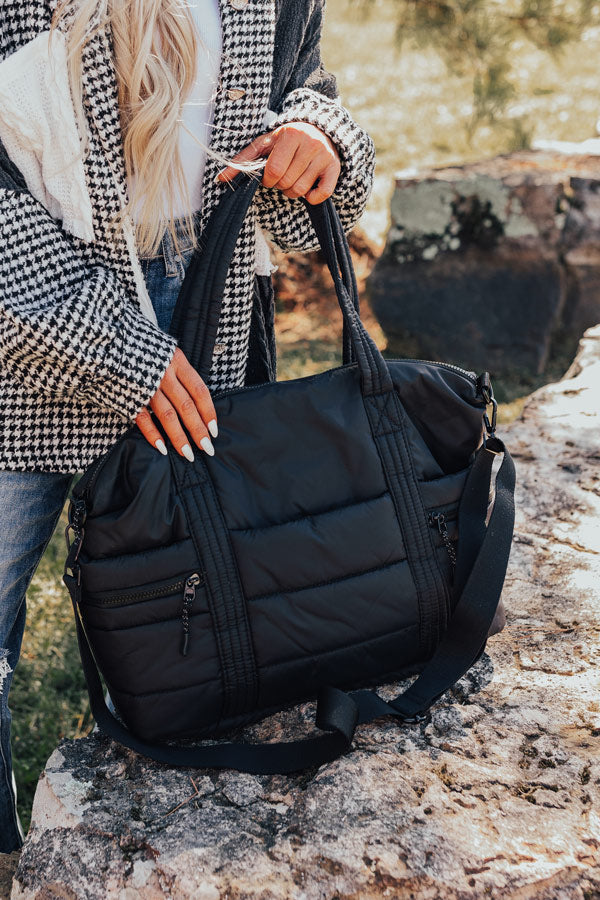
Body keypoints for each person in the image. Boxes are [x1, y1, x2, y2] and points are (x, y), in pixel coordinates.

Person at [0, 0, 374, 851]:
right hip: (23, 323)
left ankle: (171, 854)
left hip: (210, 311)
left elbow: (303, 88)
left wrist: (318, 137)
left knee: (201, 617)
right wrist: (111, 345)